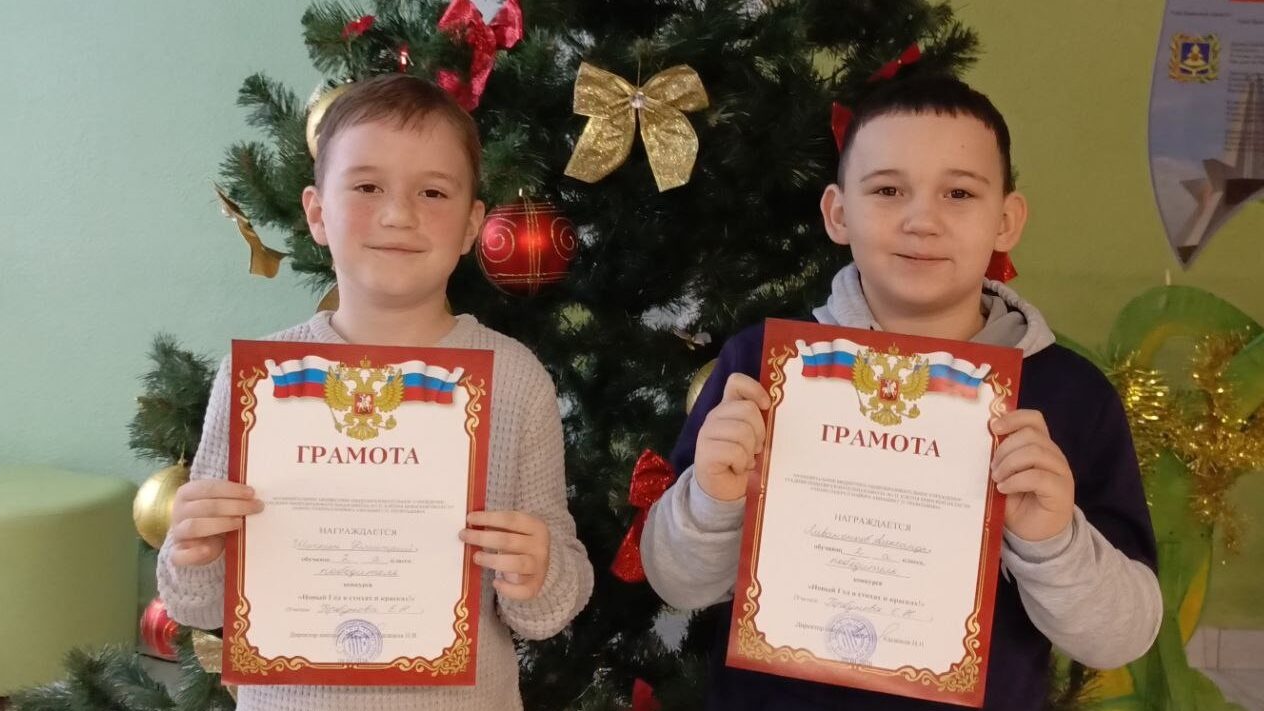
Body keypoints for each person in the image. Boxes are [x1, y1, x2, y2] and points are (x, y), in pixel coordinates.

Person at [641, 75, 1161, 710]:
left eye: (959, 193)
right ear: (838, 214)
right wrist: (712, 501)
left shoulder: (1070, 397)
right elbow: (677, 583)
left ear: (1006, 221)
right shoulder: (763, 369)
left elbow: (1121, 637)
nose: (922, 221)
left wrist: (1052, 542)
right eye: (888, 190)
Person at [158, 74, 593, 710]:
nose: (398, 215)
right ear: (316, 213)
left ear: (472, 226)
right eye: (367, 187)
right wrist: (192, 549)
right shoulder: (259, 384)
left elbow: (549, 607)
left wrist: (539, 570)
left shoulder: (515, 379)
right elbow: (199, 605)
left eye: (433, 192)